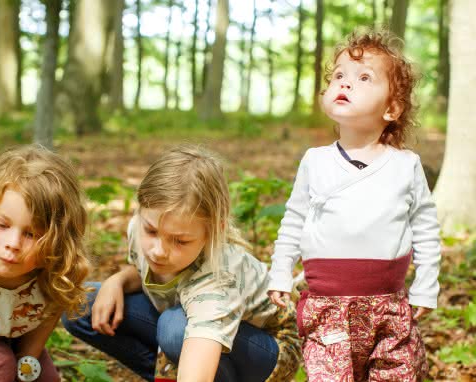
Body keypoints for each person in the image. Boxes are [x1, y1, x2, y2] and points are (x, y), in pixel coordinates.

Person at [268, 29, 441, 382]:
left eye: (364, 78)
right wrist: (280, 272)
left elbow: (425, 227)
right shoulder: (315, 161)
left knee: (397, 374)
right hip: (326, 305)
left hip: (388, 306)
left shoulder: (404, 165)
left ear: (392, 108)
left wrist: (426, 285)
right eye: (339, 77)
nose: (345, 84)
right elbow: (294, 219)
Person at [62, 145, 300, 382]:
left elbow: (201, 344)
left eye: (180, 241)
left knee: (174, 327)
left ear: (214, 232)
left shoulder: (219, 279)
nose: (158, 252)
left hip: (267, 348)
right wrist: (118, 281)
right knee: (82, 303)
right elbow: (147, 273)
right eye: (152, 231)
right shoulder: (139, 228)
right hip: (184, 318)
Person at [0, 145, 91, 382]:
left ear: (58, 241)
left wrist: (27, 357)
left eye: (31, 234)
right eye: (2, 225)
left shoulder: (55, 272)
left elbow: (50, 312)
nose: (13, 244)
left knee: (39, 376)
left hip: (7, 334)